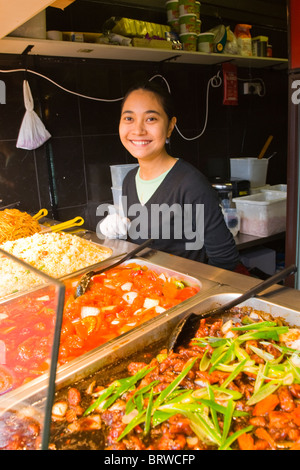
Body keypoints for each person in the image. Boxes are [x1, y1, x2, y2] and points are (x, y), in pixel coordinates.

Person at [100, 81, 240, 271]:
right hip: (143, 289)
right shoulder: (129, 180)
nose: (138, 130)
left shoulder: (190, 183)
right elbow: (148, 246)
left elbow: (225, 259)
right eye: (129, 118)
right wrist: (119, 234)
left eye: (151, 119)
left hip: (184, 293)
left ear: (170, 126)